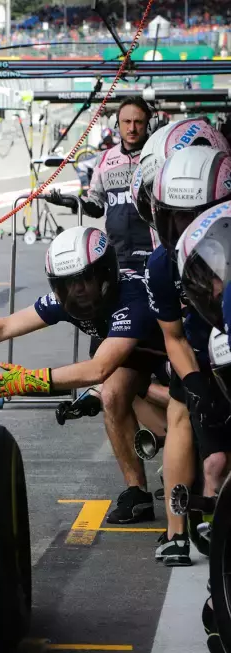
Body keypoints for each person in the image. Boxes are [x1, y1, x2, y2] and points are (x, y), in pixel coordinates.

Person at [0, 226, 167, 524]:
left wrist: (32, 381)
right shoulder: (69, 301)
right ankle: (137, 493)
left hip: (176, 361)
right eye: (66, 285)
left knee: (180, 419)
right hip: (140, 360)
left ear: (105, 273)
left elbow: (97, 369)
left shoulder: (132, 298)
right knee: (112, 393)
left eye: (83, 281)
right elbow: (5, 326)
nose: (76, 292)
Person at [142, 146, 231, 566]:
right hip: (195, 351)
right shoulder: (161, 264)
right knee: (183, 416)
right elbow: (173, 336)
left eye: (194, 213)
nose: (183, 225)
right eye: (174, 214)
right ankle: (178, 530)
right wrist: (196, 384)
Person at [52, 97, 155, 274]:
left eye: (138, 122)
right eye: (126, 122)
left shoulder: (158, 154)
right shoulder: (105, 159)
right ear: (117, 124)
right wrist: (72, 202)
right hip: (117, 254)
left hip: (154, 252)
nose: (131, 128)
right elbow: (97, 206)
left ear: (148, 124)